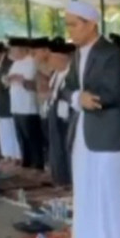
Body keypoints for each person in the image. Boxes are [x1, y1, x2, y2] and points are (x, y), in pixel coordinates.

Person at [64, 1, 120, 238]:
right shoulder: (77, 54)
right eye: (67, 24)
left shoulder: (110, 52)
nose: (69, 30)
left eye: (74, 24)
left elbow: (114, 92)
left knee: (108, 190)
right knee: (85, 190)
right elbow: (68, 87)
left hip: (106, 132)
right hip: (83, 129)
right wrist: (76, 97)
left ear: (91, 24)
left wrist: (89, 98)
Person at [7, 37, 44, 171]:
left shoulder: (31, 62)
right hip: (16, 105)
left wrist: (20, 79)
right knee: (21, 136)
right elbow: (8, 80)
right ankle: (26, 160)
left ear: (22, 49)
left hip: (28, 106)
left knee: (32, 137)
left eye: (14, 49)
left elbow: (32, 82)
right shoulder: (15, 63)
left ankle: (38, 163)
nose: (12, 52)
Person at [45, 39, 74, 187]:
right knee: (56, 147)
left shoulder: (71, 73)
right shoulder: (56, 73)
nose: (50, 61)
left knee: (67, 148)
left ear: (61, 59)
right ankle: (60, 177)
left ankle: (69, 178)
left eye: (52, 58)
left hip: (67, 115)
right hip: (55, 112)